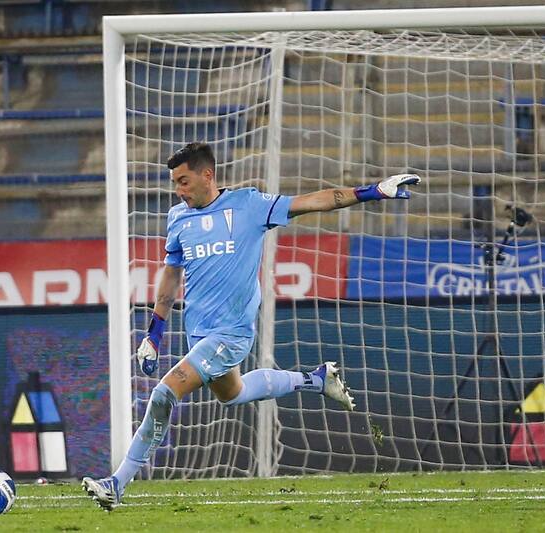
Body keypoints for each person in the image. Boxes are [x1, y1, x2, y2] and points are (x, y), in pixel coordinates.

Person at [83, 142, 420, 510]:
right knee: (233, 393)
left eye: (183, 181)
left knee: (164, 394)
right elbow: (171, 275)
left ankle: (117, 483)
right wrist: (154, 333)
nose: (178, 191)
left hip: (231, 335)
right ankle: (316, 380)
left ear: (207, 175)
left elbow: (316, 201)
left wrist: (373, 191)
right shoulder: (178, 218)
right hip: (200, 335)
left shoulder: (249, 205)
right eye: (175, 183)